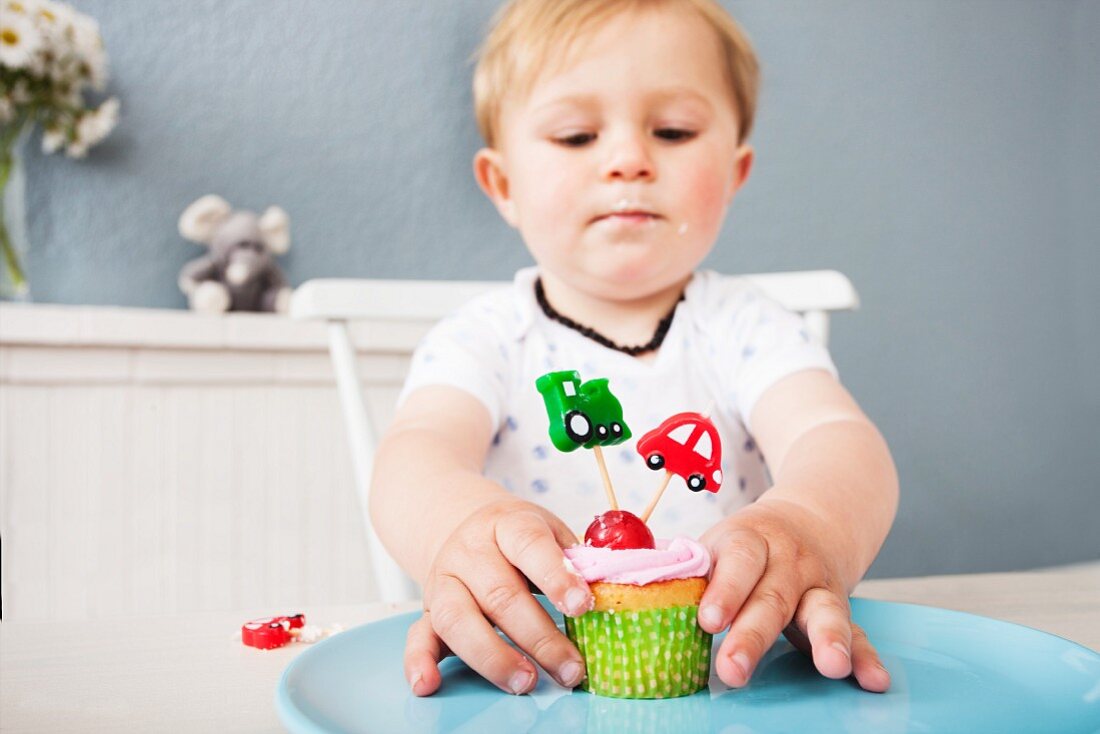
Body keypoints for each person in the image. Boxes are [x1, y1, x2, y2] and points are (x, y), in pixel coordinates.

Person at [372, 0, 899, 698]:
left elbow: (837, 440)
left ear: (736, 173)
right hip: (526, 682)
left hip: (729, 683)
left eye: (673, 130)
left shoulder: (747, 328)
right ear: (504, 184)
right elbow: (413, 456)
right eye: (575, 135)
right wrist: (458, 532)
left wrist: (810, 525)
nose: (628, 161)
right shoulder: (484, 340)